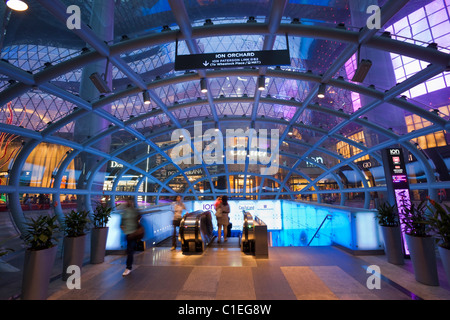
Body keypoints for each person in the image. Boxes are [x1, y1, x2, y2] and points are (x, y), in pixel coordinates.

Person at [120, 197, 140, 276]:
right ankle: (128, 267)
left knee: (130, 250)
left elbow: (121, 224)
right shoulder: (132, 211)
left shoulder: (127, 212)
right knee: (130, 250)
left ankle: (128, 267)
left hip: (132, 234)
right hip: (130, 234)